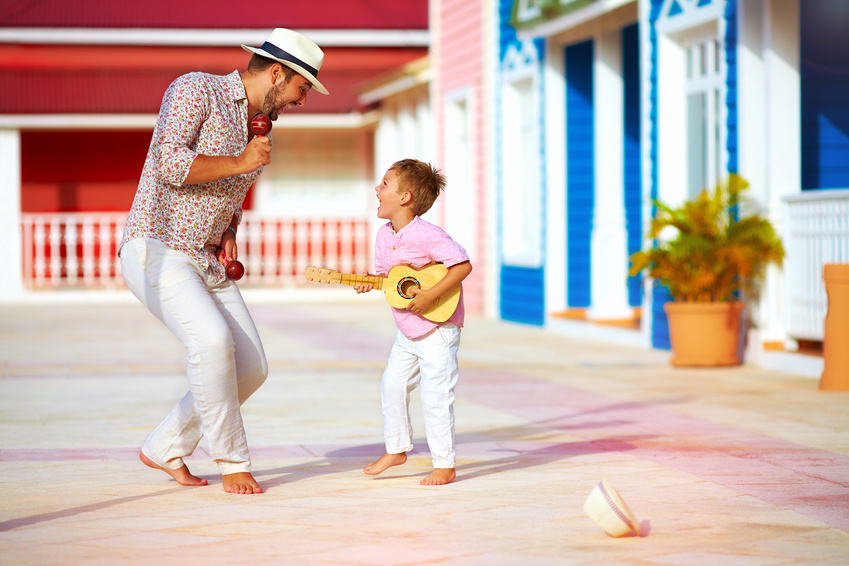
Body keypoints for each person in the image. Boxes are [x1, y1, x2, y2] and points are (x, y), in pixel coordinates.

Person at [119, 28, 329, 494]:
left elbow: (230, 199)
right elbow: (169, 165)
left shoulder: (260, 128)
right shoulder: (196, 89)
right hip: (157, 246)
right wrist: (241, 161)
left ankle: (164, 446)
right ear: (278, 73)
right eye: (302, 87)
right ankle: (232, 461)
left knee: (252, 367)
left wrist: (230, 229)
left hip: (206, 260)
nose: (302, 99)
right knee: (212, 343)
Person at [354, 159, 472, 485]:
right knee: (391, 386)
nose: (377, 189)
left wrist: (430, 294)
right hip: (407, 329)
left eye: (385, 184)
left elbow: (461, 265)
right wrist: (369, 281)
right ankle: (397, 448)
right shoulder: (383, 235)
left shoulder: (427, 235)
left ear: (404, 197)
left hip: (437, 327)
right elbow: (386, 277)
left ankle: (444, 464)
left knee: (435, 396)